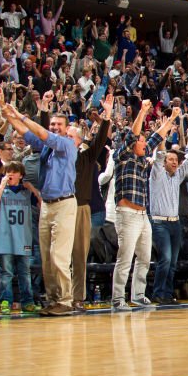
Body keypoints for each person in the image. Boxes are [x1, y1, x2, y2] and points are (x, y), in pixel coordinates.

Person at [1, 95, 79, 316]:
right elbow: (25, 133)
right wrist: (8, 114)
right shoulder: (46, 147)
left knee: (59, 255)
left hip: (64, 203)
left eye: (58, 125)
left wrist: (21, 116)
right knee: (46, 256)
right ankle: (53, 299)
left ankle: (65, 300)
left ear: (66, 128)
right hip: (47, 204)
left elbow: (41, 133)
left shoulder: (66, 144)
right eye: (52, 124)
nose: (55, 127)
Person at [109, 101, 177, 310]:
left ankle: (138, 295)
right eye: (141, 141)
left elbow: (158, 136)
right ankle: (118, 298)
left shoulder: (141, 160)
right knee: (125, 257)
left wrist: (173, 118)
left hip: (142, 215)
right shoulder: (121, 156)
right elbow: (132, 135)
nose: (145, 143)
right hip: (127, 213)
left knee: (145, 257)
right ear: (131, 144)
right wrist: (143, 112)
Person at [149, 120, 188, 305]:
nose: (174, 162)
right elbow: (159, 154)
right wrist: (164, 132)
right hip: (160, 223)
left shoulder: (178, 176)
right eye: (170, 160)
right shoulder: (157, 174)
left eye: (175, 160)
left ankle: (166, 294)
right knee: (165, 259)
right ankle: (158, 293)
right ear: (163, 162)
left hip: (175, 223)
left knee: (172, 262)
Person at [69, 93, 113, 312]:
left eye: (70, 137)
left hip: (79, 207)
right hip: (58, 206)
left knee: (78, 255)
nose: (65, 140)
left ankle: (77, 297)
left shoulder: (85, 156)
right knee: (56, 255)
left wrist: (106, 116)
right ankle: (58, 296)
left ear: (78, 142)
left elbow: (100, 141)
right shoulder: (55, 154)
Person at [0, 161, 42, 314]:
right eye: (7, 171)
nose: (10, 174)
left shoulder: (26, 192)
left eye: (14, 171)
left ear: (21, 175)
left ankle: (27, 301)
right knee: (6, 273)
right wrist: (1, 186)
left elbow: (42, 205)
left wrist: (32, 188)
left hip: (23, 238)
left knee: (25, 273)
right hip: (5, 238)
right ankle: (5, 300)